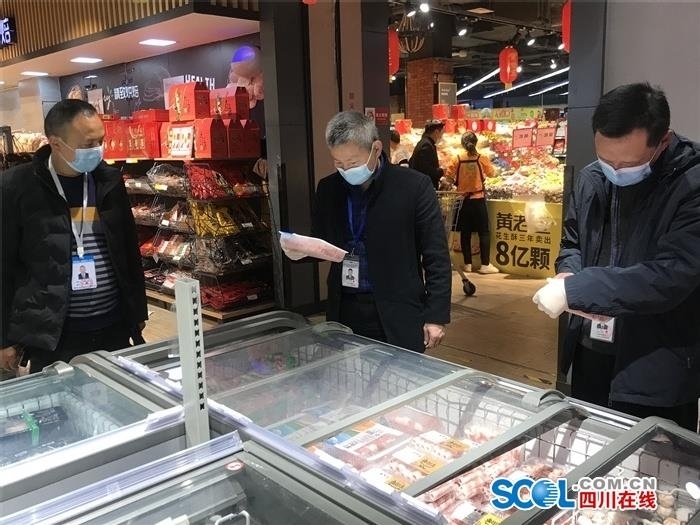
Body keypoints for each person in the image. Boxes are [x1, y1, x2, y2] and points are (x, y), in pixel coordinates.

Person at [532, 83, 700, 431]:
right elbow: (573, 242)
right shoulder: (592, 178)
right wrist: (567, 273)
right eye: (606, 160)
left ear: (663, 142)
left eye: (628, 164)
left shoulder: (691, 187)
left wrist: (576, 290)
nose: (616, 170)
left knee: (653, 458)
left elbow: (671, 275)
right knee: (589, 444)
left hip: (656, 361)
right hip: (591, 349)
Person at [1, 99, 148, 375]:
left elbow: (129, 251)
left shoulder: (109, 181)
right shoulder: (15, 187)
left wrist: (137, 311)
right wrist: (4, 339)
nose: (97, 150)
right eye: (88, 144)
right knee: (59, 401)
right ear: (56, 143)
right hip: (54, 335)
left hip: (113, 327)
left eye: (101, 141)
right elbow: (3, 266)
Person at [283, 111, 451, 352]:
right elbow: (323, 241)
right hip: (345, 307)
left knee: (400, 371)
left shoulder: (413, 186)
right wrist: (298, 250)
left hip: (397, 308)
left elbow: (436, 255)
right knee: (346, 371)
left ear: (376, 148)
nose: (346, 169)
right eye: (338, 163)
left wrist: (435, 315)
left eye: (353, 163)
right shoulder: (329, 188)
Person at [446, 132, 500, 274]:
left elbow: (448, 176)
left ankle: (467, 264)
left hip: (462, 200)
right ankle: (485, 265)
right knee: (484, 232)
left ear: (462, 144)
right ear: (476, 143)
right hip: (478, 199)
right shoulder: (482, 158)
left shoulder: (457, 158)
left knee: (465, 232)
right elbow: (491, 174)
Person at [409, 120, 445, 189]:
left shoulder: (424, 143)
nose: (441, 137)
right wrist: (441, 171)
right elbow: (426, 170)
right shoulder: (426, 145)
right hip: (423, 187)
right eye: (441, 134)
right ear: (436, 132)